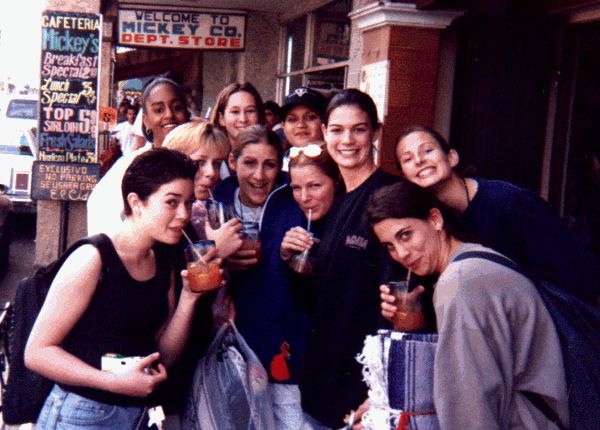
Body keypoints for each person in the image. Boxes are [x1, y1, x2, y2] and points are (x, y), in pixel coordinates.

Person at [25, 148, 218, 429]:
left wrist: (189, 299)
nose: (183, 214)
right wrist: (113, 382)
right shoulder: (93, 258)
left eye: (188, 203)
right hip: (81, 414)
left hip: (137, 415)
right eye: (171, 202)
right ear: (136, 202)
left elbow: (162, 354)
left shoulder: (162, 259)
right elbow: (37, 352)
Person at [369, 181, 569, 429]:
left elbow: (468, 404)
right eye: (389, 246)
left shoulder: (459, 282)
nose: (401, 253)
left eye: (405, 235)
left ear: (435, 219)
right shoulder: (475, 260)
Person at [395, 125, 600, 305]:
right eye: (408, 159)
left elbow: (574, 267)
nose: (419, 161)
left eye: (427, 150)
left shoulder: (509, 201)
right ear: (404, 177)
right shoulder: (433, 221)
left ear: (452, 157)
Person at [298, 89, 402, 429]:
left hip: (362, 396)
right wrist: (294, 264)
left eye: (359, 129)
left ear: (376, 132)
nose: (347, 140)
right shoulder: (339, 200)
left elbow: (397, 308)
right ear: (324, 133)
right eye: (337, 130)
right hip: (324, 385)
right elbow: (325, 296)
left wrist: (380, 393)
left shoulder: (389, 198)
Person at [211, 125, 314, 428]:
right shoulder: (216, 200)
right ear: (233, 162)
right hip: (233, 343)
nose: (259, 175)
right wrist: (223, 260)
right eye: (249, 163)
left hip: (283, 340)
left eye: (269, 164)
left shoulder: (294, 198)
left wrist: (291, 255)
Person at [87, 78, 191, 236]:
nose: (169, 115)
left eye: (177, 108)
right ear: (146, 121)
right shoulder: (131, 166)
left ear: (187, 115)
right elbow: (100, 211)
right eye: (158, 110)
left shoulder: (203, 161)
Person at [210, 82, 264, 178]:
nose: (243, 119)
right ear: (221, 118)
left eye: (250, 111)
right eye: (235, 112)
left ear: (259, 116)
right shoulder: (211, 159)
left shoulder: (270, 155)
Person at [280, 87, 327, 170]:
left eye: (310, 117)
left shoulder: (337, 165)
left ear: (324, 123)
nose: (301, 125)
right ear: (283, 126)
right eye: (292, 119)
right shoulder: (276, 166)